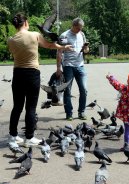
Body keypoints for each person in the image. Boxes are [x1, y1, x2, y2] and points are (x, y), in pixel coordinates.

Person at [7, 13, 73, 147]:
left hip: (17, 74)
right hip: (32, 73)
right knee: (30, 107)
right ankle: (29, 138)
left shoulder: (11, 40)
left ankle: (13, 136)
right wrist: (63, 47)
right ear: (25, 22)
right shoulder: (34, 35)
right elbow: (49, 45)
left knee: (17, 107)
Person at [56, 17, 89, 121]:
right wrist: (58, 68)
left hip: (80, 65)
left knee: (84, 90)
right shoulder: (64, 35)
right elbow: (59, 52)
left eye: (81, 28)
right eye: (78, 28)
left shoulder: (82, 34)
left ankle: (81, 112)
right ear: (73, 26)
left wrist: (85, 49)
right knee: (67, 90)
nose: (80, 30)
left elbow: (86, 51)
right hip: (68, 66)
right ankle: (69, 113)